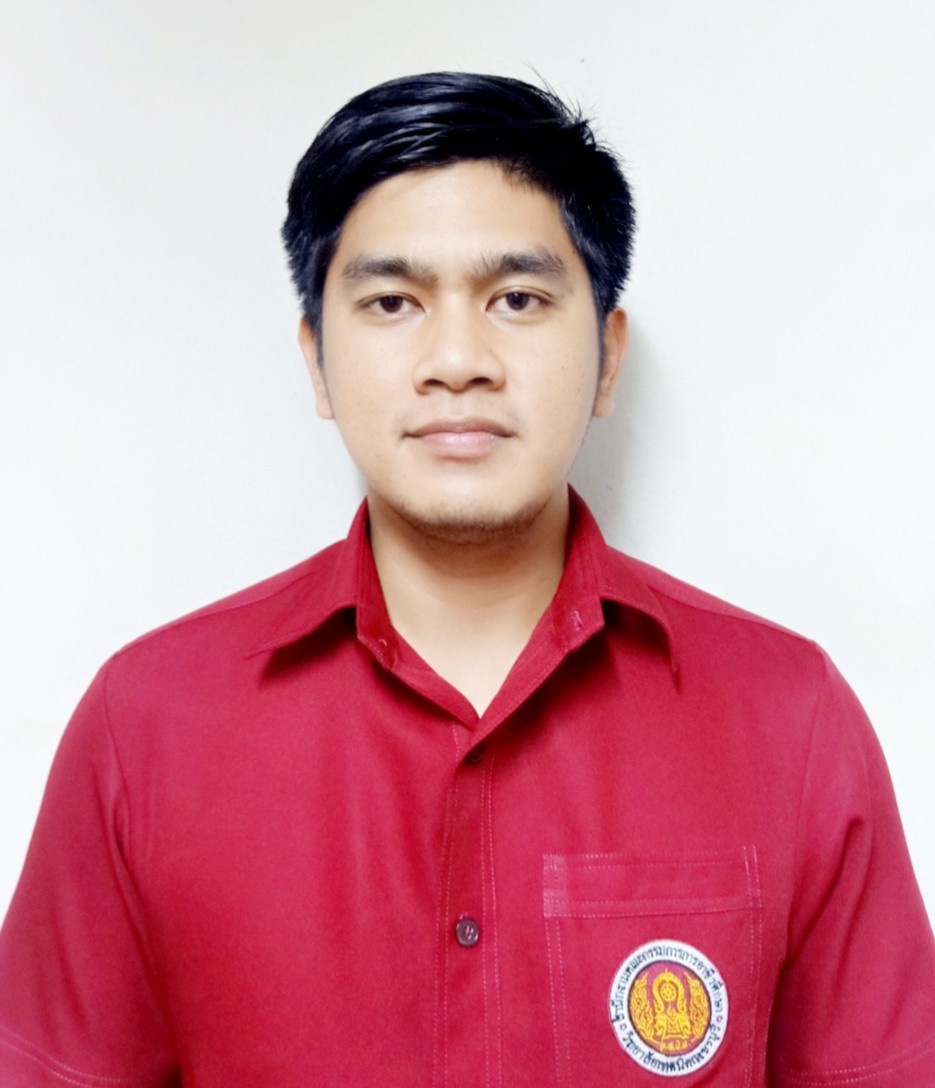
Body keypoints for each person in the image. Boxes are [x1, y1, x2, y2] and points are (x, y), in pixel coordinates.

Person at [0, 71, 932, 1088]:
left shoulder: (785, 718)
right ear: (316, 360)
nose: (456, 359)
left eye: (516, 299)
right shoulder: (148, 725)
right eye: (392, 301)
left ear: (606, 356)